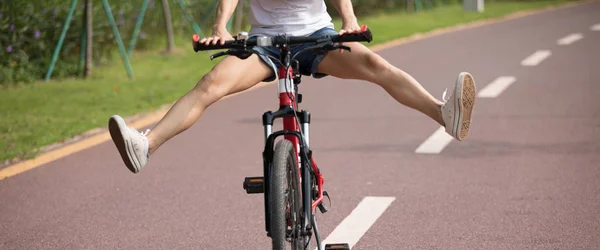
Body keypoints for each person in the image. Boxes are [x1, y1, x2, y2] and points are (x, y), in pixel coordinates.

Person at [108, 0, 476, 173]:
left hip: (316, 35)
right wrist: (221, 27)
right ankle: (145, 145)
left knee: (374, 64)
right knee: (211, 83)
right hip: (264, 43)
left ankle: (443, 114)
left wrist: (348, 19)